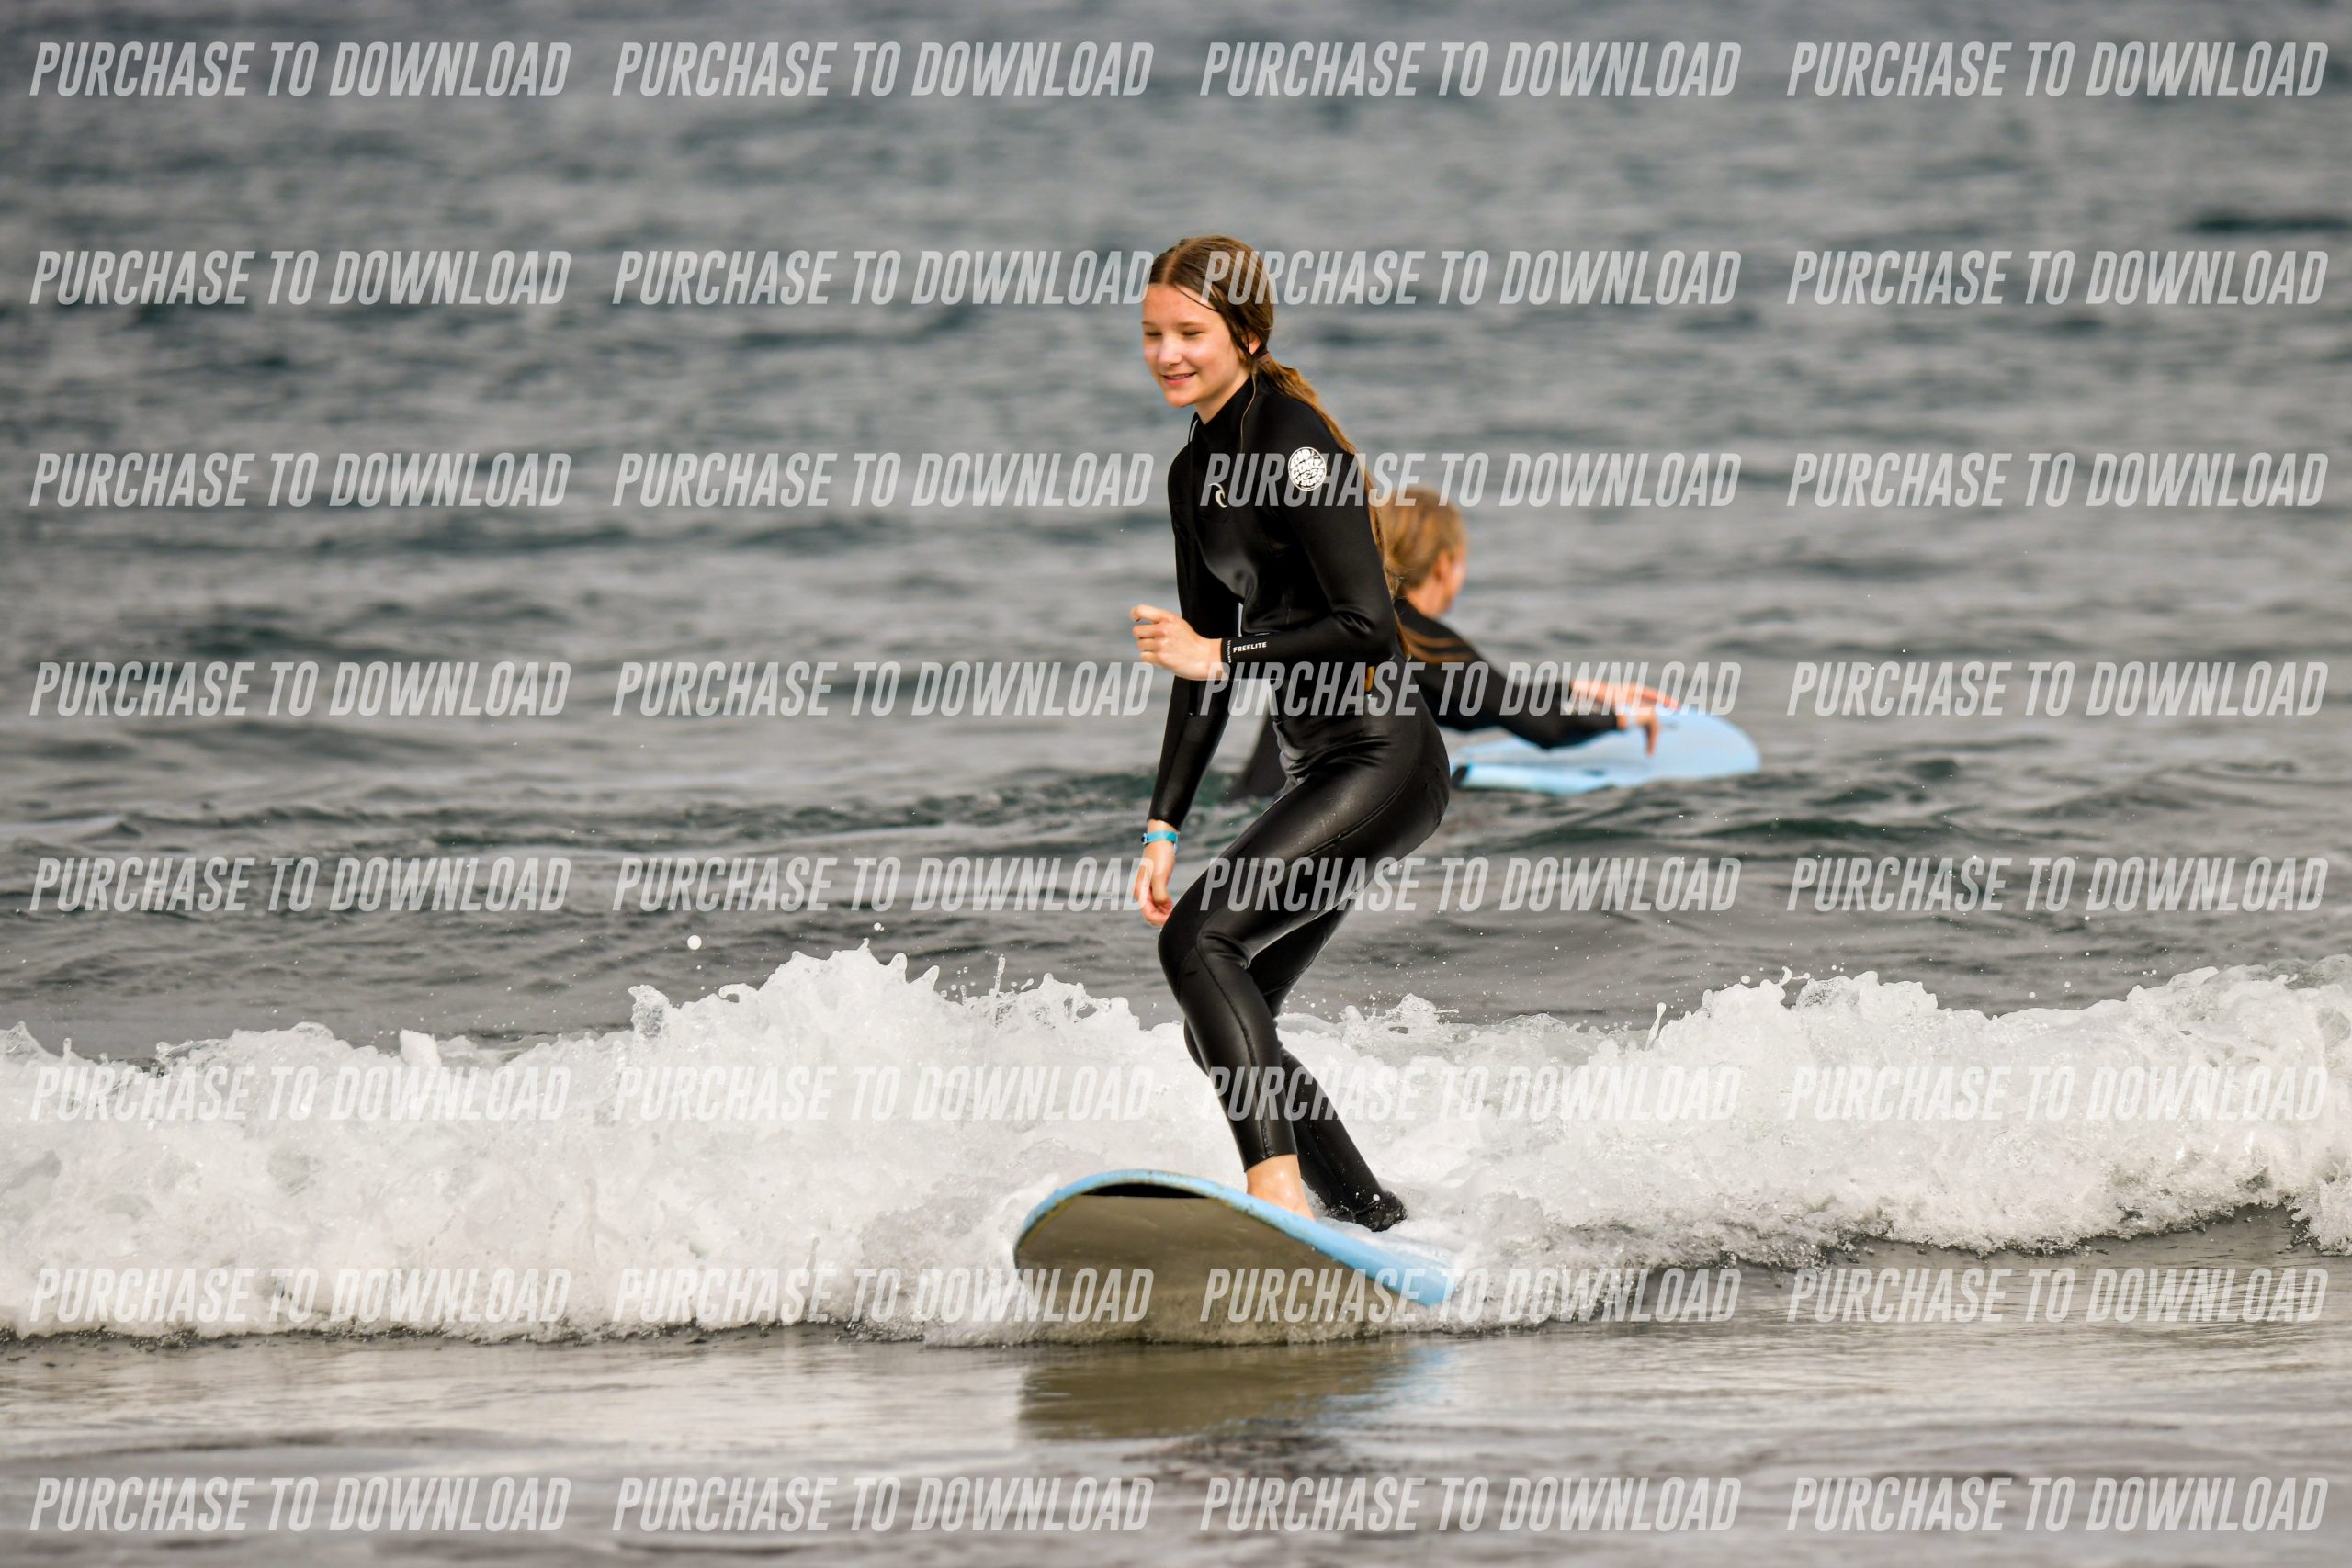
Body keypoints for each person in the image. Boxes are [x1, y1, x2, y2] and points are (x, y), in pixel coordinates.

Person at [1127, 236, 1444, 1232]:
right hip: (1324, 769)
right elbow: (1200, 669)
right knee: (1224, 1019)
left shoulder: (1294, 443)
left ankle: (1275, 1197)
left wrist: (1222, 653)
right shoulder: (1194, 474)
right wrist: (1163, 826)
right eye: (1152, 334)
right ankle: (1370, 1218)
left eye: (1190, 333)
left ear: (1247, 335)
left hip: (1383, 758)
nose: (1167, 354)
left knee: (1200, 944)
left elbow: (1365, 624)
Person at [1234, 487, 1668, 798]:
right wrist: (1620, 721)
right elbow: (1545, 728)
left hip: (1245, 809)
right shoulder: (1416, 636)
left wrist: (1574, 690)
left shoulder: (1345, 624)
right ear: (1445, 564)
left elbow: (1467, 707)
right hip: (1305, 820)